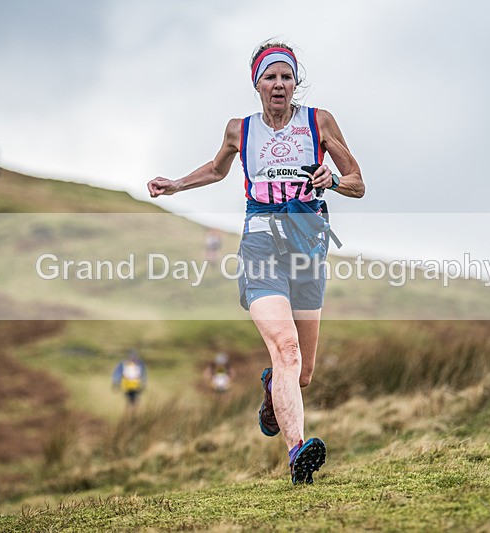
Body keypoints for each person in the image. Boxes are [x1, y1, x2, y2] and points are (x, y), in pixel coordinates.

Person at [147, 41, 364, 484]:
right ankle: (297, 454)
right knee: (285, 349)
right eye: (271, 77)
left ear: (295, 82)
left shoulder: (318, 122)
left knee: (301, 373)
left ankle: (272, 393)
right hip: (261, 246)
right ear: (257, 84)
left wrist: (335, 180)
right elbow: (216, 168)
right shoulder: (239, 130)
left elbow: (359, 183)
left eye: (287, 76)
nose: (279, 84)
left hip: (308, 247)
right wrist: (175, 185)